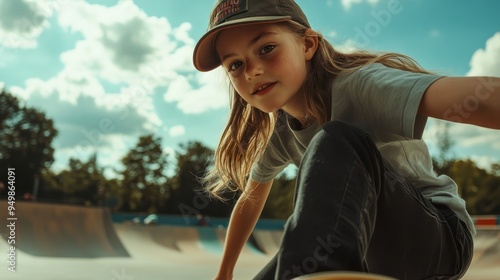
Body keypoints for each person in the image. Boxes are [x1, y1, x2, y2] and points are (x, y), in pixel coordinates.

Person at [192, 0, 499, 279]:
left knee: (335, 139)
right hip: (372, 252)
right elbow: (251, 198)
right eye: (235, 65)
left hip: (439, 238)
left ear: (308, 44)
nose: (252, 71)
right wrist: (225, 272)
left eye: (266, 49)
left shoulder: (359, 84)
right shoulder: (281, 132)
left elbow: (474, 98)